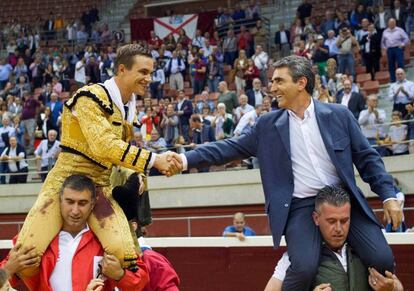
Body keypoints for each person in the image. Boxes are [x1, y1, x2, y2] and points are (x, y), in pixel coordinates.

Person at [167, 56, 401, 291]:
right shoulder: (267, 125)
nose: (272, 87)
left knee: (382, 260)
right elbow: (228, 148)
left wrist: (388, 196)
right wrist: (185, 159)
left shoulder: (339, 115)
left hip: (341, 201)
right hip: (300, 206)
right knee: (304, 268)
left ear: (301, 83)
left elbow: (367, 158)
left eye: (279, 81)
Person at [14, 44, 181, 277]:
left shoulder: (127, 107)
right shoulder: (89, 97)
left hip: (100, 186)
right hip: (64, 184)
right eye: (143, 72)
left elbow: (118, 153)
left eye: (151, 73)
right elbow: (104, 145)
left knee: (125, 257)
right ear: (122, 69)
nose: (149, 79)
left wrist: (135, 172)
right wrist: (153, 160)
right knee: (26, 258)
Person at [0, 174, 150, 290]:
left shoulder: (109, 238)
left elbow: (141, 281)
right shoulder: (38, 237)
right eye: (70, 202)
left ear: (93, 204)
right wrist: (8, 269)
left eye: (82, 203)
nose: (75, 211)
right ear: (60, 200)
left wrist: (120, 275)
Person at [264, 185, 404, 291]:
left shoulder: (366, 247)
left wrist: (391, 289)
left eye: (344, 221)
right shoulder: (298, 254)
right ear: (316, 218)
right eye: (331, 221)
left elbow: (397, 284)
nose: (338, 228)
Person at [381, 18, 409, 83]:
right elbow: (383, 42)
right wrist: (384, 48)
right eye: (390, 23)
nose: (391, 24)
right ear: (388, 24)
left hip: (398, 48)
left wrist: (402, 44)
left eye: (392, 23)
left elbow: (406, 39)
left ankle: (402, 79)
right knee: (391, 65)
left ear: (395, 23)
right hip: (389, 50)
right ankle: (393, 80)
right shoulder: (385, 32)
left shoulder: (400, 30)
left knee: (400, 63)